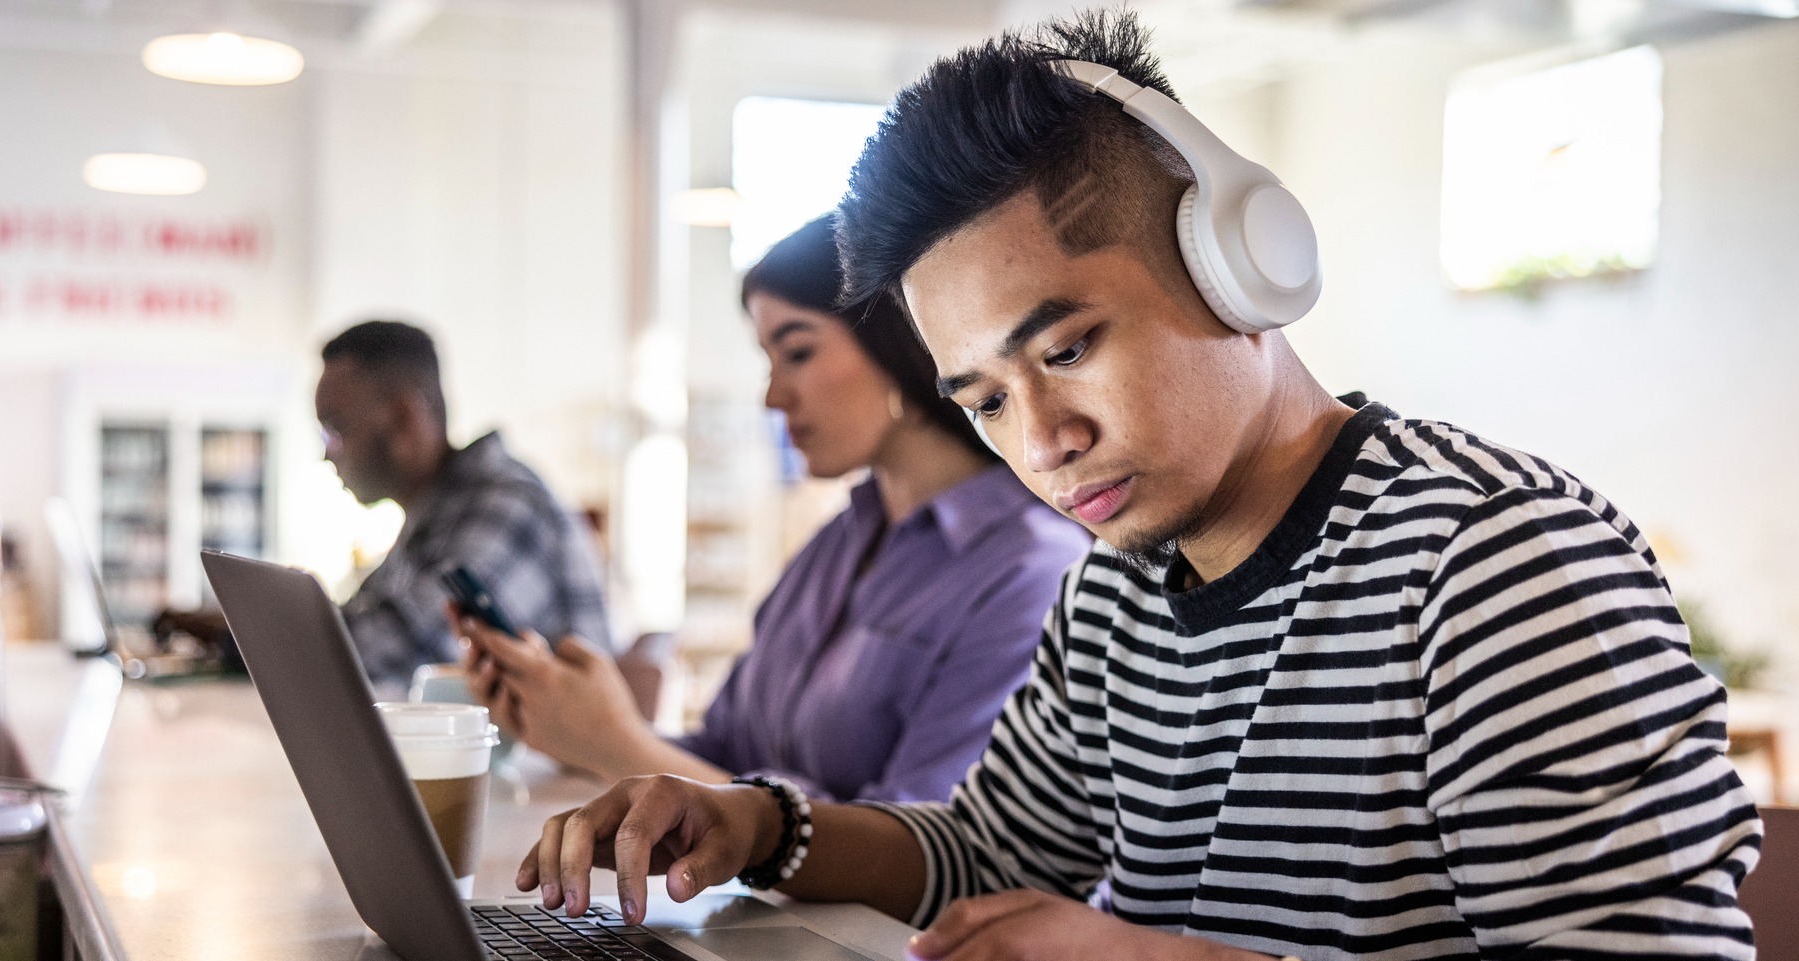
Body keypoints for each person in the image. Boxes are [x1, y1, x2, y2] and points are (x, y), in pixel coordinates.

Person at [512, 12, 1762, 961]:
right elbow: (986, 850)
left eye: (1065, 349)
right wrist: (756, 827)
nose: (1042, 438)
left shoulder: (1497, 566)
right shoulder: (1119, 591)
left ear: (1239, 267)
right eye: (986, 399)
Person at [456, 215, 1088, 803]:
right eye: (768, 360)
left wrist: (619, 745)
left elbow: (921, 853)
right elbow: (724, 756)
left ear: (898, 339)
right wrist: (572, 729)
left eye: (798, 352)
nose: (772, 397)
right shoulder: (836, 545)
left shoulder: (1030, 572)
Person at [167, 319, 612, 691]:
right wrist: (235, 627)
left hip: (560, 788)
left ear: (403, 419)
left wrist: (237, 637)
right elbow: (357, 623)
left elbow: (393, 652)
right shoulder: (435, 513)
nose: (327, 454)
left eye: (335, 430)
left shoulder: (505, 506)